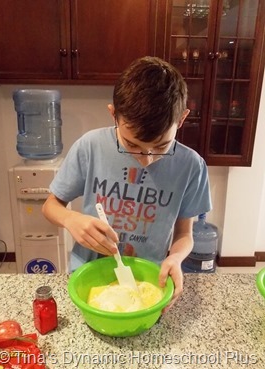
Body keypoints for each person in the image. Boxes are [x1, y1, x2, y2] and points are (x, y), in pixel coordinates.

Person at [42, 56, 212, 311]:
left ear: (182, 119)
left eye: (161, 146)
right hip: (87, 275)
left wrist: (176, 258)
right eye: (131, 145)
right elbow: (50, 206)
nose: (147, 158)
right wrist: (71, 219)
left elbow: (184, 233)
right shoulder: (90, 147)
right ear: (114, 115)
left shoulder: (191, 166)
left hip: (147, 281)